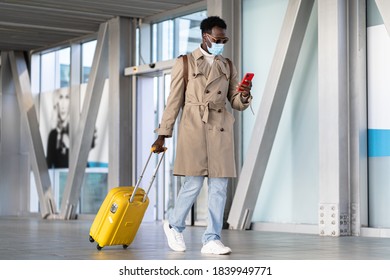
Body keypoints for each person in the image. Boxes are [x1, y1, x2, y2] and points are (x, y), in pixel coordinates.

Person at [152, 16, 253, 255]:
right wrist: (163, 134)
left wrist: (246, 94)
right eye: (218, 39)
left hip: (219, 127)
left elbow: (235, 102)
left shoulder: (227, 65)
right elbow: (173, 101)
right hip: (194, 127)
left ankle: (212, 239)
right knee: (193, 183)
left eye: (224, 39)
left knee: (219, 186)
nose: (221, 43)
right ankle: (174, 226)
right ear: (205, 36)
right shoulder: (185, 63)